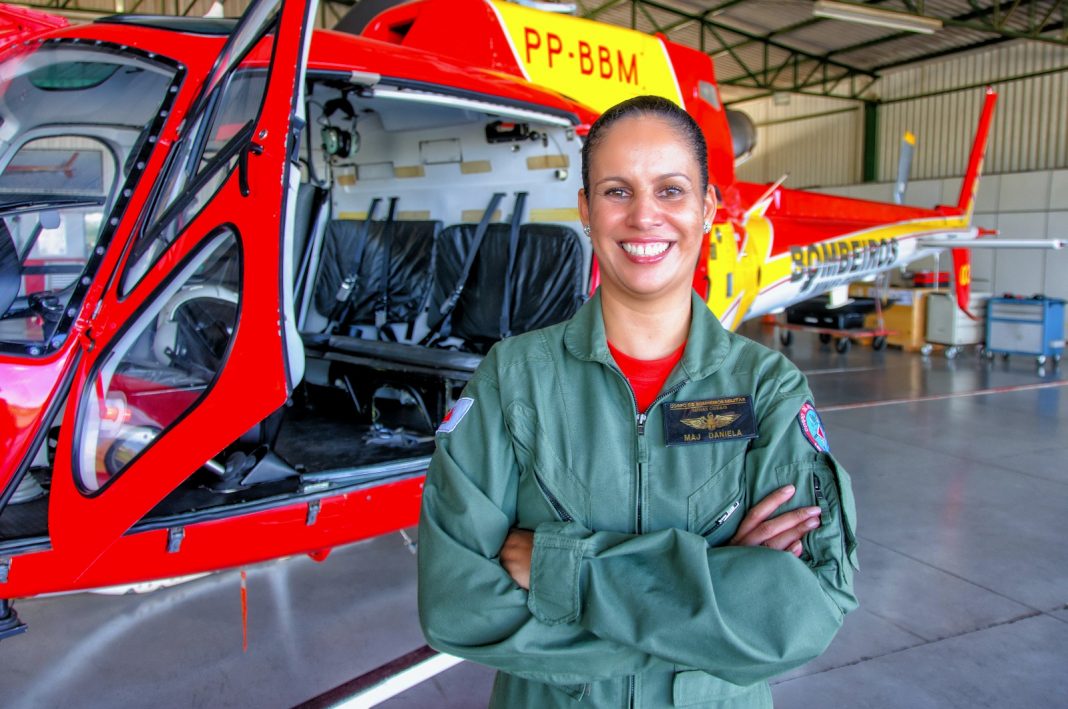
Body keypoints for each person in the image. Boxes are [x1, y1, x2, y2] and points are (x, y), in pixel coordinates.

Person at [417, 95, 858, 708]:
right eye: (617, 191)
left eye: (671, 190)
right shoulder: (512, 379)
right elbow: (458, 606)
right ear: (585, 209)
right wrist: (709, 610)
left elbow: (807, 611)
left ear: (707, 209)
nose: (644, 215)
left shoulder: (768, 388)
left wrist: (564, 569)